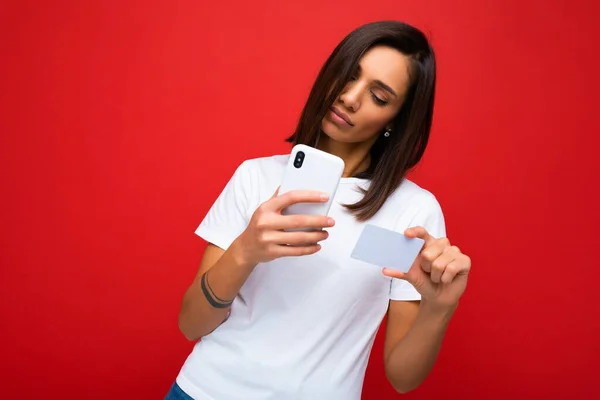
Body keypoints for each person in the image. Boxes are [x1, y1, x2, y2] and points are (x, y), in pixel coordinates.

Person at [166, 20, 472, 400]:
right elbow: (192, 324)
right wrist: (245, 251)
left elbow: (402, 378)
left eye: (379, 96)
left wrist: (438, 309)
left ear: (396, 119)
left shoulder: (410, 213)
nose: (349, 98)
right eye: (349, 76)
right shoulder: (256, 177)